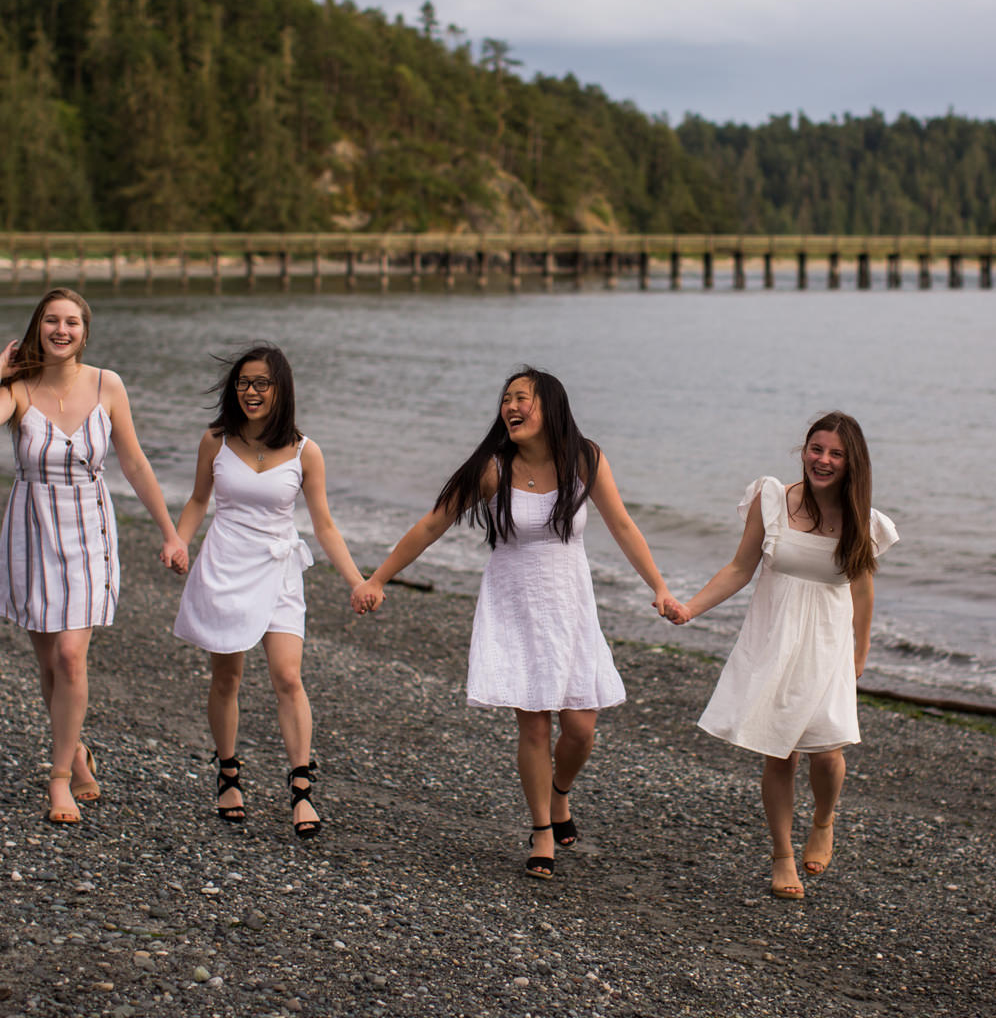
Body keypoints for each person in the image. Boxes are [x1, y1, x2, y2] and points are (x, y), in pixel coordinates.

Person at [351, 367, 680, 879]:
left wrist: (659, 586)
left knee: (581, 729)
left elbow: (622, 524)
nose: (511, 407)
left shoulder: (585, 459)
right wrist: (379, 578)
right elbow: (433, 523)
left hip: (570, 606)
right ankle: (542, 831)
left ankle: (560, 793)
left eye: (522, 398)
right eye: (506, 399)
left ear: (550, 406)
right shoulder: (493, 469)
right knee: (534, 722)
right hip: (515, 604)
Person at [0, 287, 187, 825]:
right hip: (31, 530)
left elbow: (133, 462)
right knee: (49, 665)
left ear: (85, 332)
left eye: (72, 322)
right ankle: (78, 749)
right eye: (51, 321)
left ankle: (59, 778)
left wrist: (171, 533)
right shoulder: (18, 386)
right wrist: (0, 364)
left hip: (90, 530)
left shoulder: (108, 385)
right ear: (36, 328)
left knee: (70, 657)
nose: (61, 330)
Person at [661, 411, 898, 899]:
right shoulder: (772, 499)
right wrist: (691, 608)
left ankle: (824, 821)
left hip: (828, 647)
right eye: (816, 449)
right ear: (803, 450)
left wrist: (860, 652)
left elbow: (863, 592)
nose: (823, 460)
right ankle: (782, 856)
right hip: (774, 640)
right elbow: (739, 568)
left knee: (828, 752)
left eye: (835, 453)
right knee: (780, 752)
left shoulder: (864, 521)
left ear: (853, 462)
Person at [170, 344, 366, 837]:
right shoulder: (216, 440)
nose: (251, 392)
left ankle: (301, 790)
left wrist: (357, 580)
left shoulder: (305, 450)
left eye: (261, 383)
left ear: (281, 388)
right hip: (225, 564)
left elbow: (324, 526)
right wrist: (177, 541)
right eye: (243, 383)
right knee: (226, 678)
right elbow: (198, 500)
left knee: (288, 676)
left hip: (279, 569)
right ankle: (228, 774)